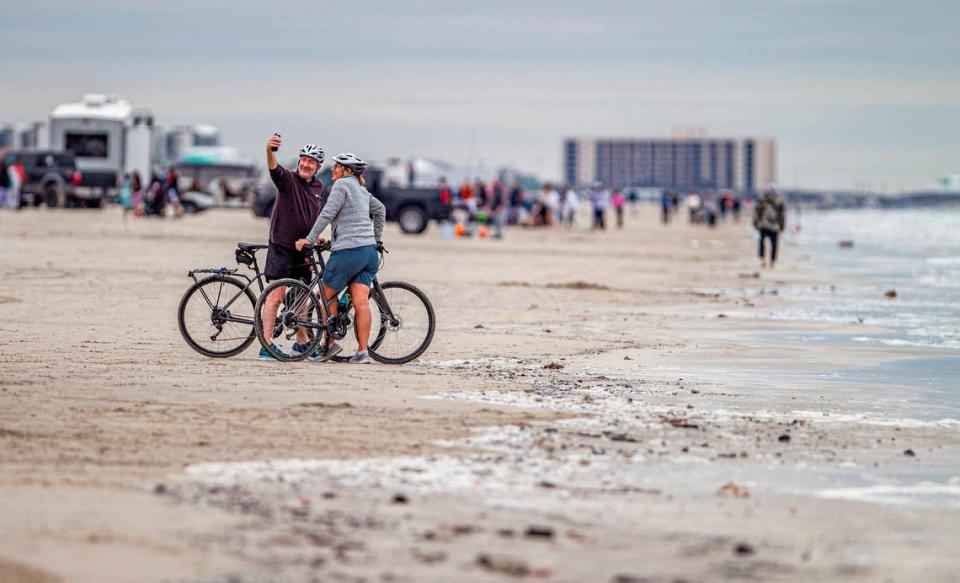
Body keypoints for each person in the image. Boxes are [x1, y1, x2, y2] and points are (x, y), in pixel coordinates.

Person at [297, 152, 386, 364]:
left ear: (346, 171)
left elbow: (327, 214)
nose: (332, 170)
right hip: (369, 253)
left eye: (336, 167)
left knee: (325, 297)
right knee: (361, 302)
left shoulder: (341, 186)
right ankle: (363, 352)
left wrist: (309, 239)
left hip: (348, 252)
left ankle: (328, 345)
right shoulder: (362, 189)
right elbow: (380, 210)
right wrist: (377, 239)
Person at [259, 134, 327, 360]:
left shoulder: (319, 187)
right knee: (276, 297)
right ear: (299, 162)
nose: (306, 164)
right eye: (304, 160)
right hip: (281, 247)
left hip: (304, 250)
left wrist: (316, 238)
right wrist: (270, 150)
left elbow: (311, 217)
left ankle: (301, 343)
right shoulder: (287, 179)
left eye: (311, 162)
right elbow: (273, 168)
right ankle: (266, 346)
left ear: (318, 166)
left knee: (301, 298)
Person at [753, 185, 786, 269]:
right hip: (774, 226)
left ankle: (762, 259)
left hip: (763, 224)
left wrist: (755, 223)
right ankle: (772, 262)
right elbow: (782, 215)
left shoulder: (762, 199)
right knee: (774, 244)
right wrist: (782, 226)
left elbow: (756, 212)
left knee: (761, 242)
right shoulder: (779, 200)